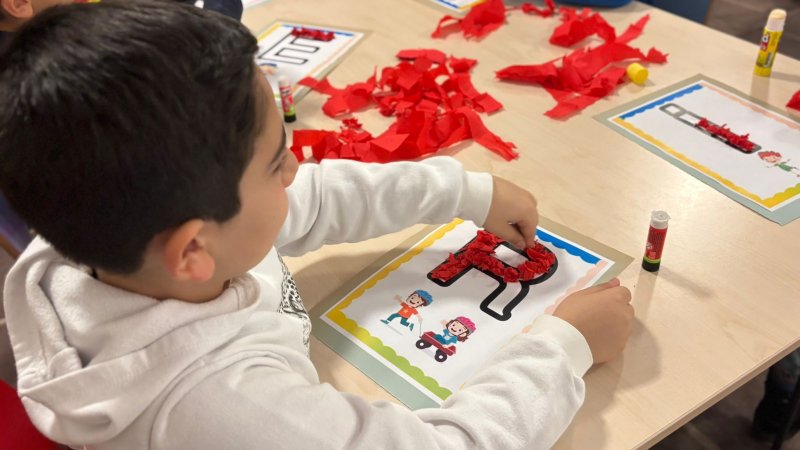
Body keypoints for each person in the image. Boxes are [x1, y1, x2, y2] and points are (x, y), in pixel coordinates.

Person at [0, 2, 634, 449]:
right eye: (277, 160)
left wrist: (463, 191)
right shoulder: (223, 411)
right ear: (193, 250)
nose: (297, 166)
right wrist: (564, 349)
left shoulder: (127, 236)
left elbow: (314, 197)